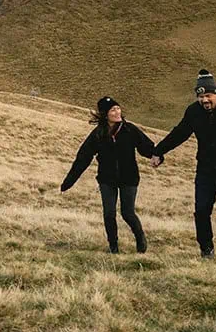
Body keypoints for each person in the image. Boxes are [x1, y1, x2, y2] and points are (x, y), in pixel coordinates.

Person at [151, 69, 216, 259]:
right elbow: (180, 133)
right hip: (205, 170)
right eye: (201, 97)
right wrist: (159, 151)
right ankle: (206, 249)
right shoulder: (193, 112)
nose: (204, 100)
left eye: (208, 95)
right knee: (201, 210)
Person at [60, 96, 157, 253]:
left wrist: (156, 156)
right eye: (113, 110)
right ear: (105, 114)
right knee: (109, 213)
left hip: (129, 178)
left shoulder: (130, 129)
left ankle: (140, 237)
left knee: (127, 213)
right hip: (107, 179)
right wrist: (68, 182)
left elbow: (146, 147)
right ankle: (113, 247)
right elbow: (82, 158)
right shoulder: (98, 134)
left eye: (118, 108)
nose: (117, 112)